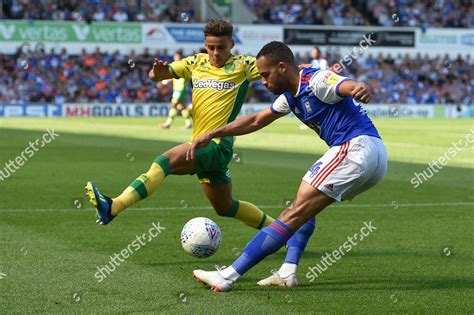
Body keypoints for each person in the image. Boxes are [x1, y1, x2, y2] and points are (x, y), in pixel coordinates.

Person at [188, 41, 387, 292]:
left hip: (355, 148)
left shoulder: (315, 80)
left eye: (265, 74)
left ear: (282, 67)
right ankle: (287, 271)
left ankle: (227, 276)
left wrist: (362, 86)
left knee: (293, 213)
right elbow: (256, 120)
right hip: (371, 155)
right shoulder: (290, 97)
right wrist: (212, 133)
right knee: (301, 208)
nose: (262, 81)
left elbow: (347, 85)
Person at [85, 20, 275, 231]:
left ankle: (114, 206)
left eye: (221, 47)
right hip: (202, 145)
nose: (215, 53)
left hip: (218, 144)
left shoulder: (244, 66)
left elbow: (277, 70)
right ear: (205, 44)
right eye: (211, 47)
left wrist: (301, 72)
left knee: (163, 163)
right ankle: (282, 231)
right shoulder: (195, 62)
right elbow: (157, 76)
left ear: (231, 44)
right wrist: (157, 73)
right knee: (225, 207)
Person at [160, 51, 192, 129]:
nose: (175, 58)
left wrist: (165, 81)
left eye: (176, 56)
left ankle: (168, 123)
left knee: (173, 105)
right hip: (178, 89)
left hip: (180, 89)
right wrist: (166, 81)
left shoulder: (181, 66)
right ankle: (189, 123)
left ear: (179, 57)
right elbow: (174, 76)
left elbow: (176, 76)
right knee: (183, 107)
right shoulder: (178, 65)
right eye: (175, 56)